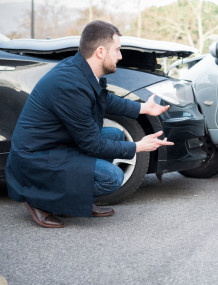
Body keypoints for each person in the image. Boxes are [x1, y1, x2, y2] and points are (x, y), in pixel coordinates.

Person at [5, 20, 174, 228]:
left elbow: (105, 100)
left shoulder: (83, 70)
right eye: (118, 50)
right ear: (101, 52)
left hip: (59, 142)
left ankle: (79, 199)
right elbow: (92, 146)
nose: (120, 56)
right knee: (112, 177)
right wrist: (139, 146)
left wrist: (143, 109)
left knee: (116, 136)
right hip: (38, 157)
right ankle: (39, 200)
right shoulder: (70, 86)